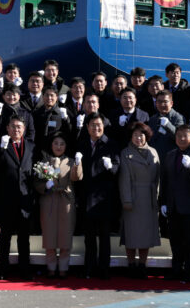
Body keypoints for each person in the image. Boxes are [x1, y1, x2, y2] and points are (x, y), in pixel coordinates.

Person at [160, 124, 190, 282]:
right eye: (178, 135)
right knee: (175, 242)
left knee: (189, 243)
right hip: (173, 206)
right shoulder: (170, 155)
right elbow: (165, 180)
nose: (181, 138)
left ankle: (188, 273)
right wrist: (163, 202)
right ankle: (176, 271)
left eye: (185, 135)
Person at [77, 113, 120, 279]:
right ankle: (89, 268)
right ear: (87, 127)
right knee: (89, 237)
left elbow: (117, 169)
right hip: (87, 195)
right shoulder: (82, 144)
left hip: (104, 198)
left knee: (104, 236)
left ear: (104, 126)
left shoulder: (111, 144)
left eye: (99, 125)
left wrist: (110, 167)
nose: (96, 128)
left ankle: (103, 269)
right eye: (93, 125)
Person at [34, 133, 82, 279]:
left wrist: (78, 164)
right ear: (51, 145)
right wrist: (45, 186)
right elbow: (36, 183)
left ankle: (63, 268)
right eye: (56, 143)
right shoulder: (44, 161)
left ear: (66, 146)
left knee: (65, 236)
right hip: (49, 199)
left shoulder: (71, 161)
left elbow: (77, 177)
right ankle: (51, 267)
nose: (59, 146)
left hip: (66, 200)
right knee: (49, 235)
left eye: (62, 144)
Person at [0, 115, 36, 280]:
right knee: (5, 236)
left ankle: (24, 269)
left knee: (24, 238)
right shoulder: (0, 146)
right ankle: (3, 268)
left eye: (19, 127)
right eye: (13, 126)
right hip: (7, 199)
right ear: (7, 129)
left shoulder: (31, 146)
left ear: (24, 129)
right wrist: (1, 149)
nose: (16, 129)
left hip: (25, 199)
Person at [118, 122, 160, 279]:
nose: (138, 138)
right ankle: (131, 264)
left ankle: (142, 265)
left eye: (141, 135)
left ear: (146, 136)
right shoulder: (126, 153)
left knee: (146, 234)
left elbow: (158, 177)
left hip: (149, 198)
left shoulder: (154, 152)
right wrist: (126, 199)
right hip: (133, 197)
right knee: (131, 234)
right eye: (135, 135)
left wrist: (157, 197)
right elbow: (124, 179)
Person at [147, 90, 185, 161]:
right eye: (159, 102)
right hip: (154, 158)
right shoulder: (152, 119)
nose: (162, 104)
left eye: (165, 102)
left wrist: (168, 125)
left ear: (171, 103)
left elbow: (181, 138)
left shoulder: (178, 118)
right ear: (156, 103)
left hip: (172, 159)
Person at [33, 86, 71, 153]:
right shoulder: (36, 113)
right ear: (43, 96)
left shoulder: (62, 114)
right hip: (39, 149)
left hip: (56, 151)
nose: (49, 98)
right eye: (47, 95)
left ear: (56, 97)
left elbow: (68, 132)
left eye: (52, 95)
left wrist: (66, 119)